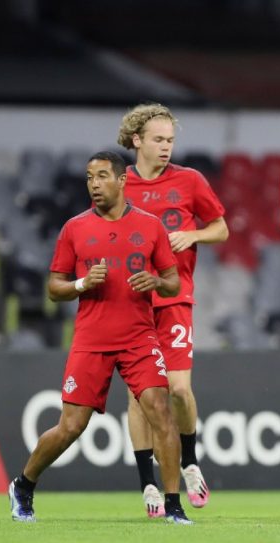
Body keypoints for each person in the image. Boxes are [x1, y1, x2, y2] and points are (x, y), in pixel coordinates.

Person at [8, 152, 192, 525]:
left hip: (140, 338)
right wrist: (81, 283)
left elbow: (173, 281)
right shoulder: (74, 228)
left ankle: (174, 506)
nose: (94, 183)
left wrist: (156, 282)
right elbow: (53, 288)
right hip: (92, 340)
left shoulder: (150, 226)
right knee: (72, 426)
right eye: (89, 177)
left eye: (102, 176)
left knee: (160, 410)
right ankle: (23, 485)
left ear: (122, 180)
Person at [117, 103, 228, 517]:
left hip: (175, 299)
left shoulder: (189, 180)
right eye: (159, 140)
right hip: (131, 304)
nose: (166, 148)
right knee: (140, 395)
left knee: (178, 390)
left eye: (170, 141)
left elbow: (222, 227)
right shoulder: (118, 183)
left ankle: (190, 460)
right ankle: (147, 483)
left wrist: (192, 234)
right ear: (137, 141)